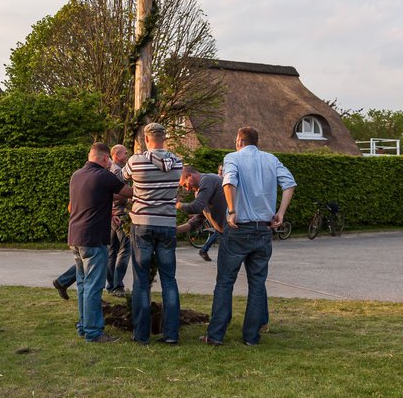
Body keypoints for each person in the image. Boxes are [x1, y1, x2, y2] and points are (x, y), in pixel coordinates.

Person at [203, 127, 296, 347]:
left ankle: (216, 334)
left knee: (225, 282)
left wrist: (232, 210)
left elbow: (228, 182)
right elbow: (290, 183)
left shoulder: (232, 158)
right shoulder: (271, 159)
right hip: (263, 229)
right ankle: (252, 337)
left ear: (239, 141)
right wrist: (280, 213)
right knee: (257, 284)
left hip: (239, 229)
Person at [122, 122, 182, 346]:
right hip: (167, 224)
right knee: (169, 280)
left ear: (146, 139)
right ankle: (171, 334)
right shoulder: (178, 162)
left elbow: (121, 177)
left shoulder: (136, 161)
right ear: (164, 138)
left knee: (141, 281)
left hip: (142, 223)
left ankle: (141, 334)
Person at [68, 142, 130, 342]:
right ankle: (94, 332)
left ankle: (83, 326)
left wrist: (108, 212)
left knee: (83, 285)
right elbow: (128, 192)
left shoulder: (77, 175)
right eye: (109, 160)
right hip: (93, 239)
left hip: (75, 237)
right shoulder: (104, 175)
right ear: (105, 158)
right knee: (94, 287)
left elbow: (88, 201)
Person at [176, 165, 226, 263]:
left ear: (190, 175)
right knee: (226, 272)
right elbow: (199, 219)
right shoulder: (200, 191)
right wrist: (177, 230)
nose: (187, 189)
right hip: (224, 233)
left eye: (185, 185)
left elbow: (196, 207)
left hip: (234, 232)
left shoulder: (207, 180)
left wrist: (178, 205)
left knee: (226, 273)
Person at [106, 143, 131, 296]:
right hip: (118, 215)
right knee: (125, 248)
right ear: (116, 155)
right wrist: (130, 197)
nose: (127, 156)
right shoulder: (117, 172)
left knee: (112, 251)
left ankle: (111, 285)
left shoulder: (109, 170)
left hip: (111, 214)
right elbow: (114, 193)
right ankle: (117, 285)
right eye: (124, 153)